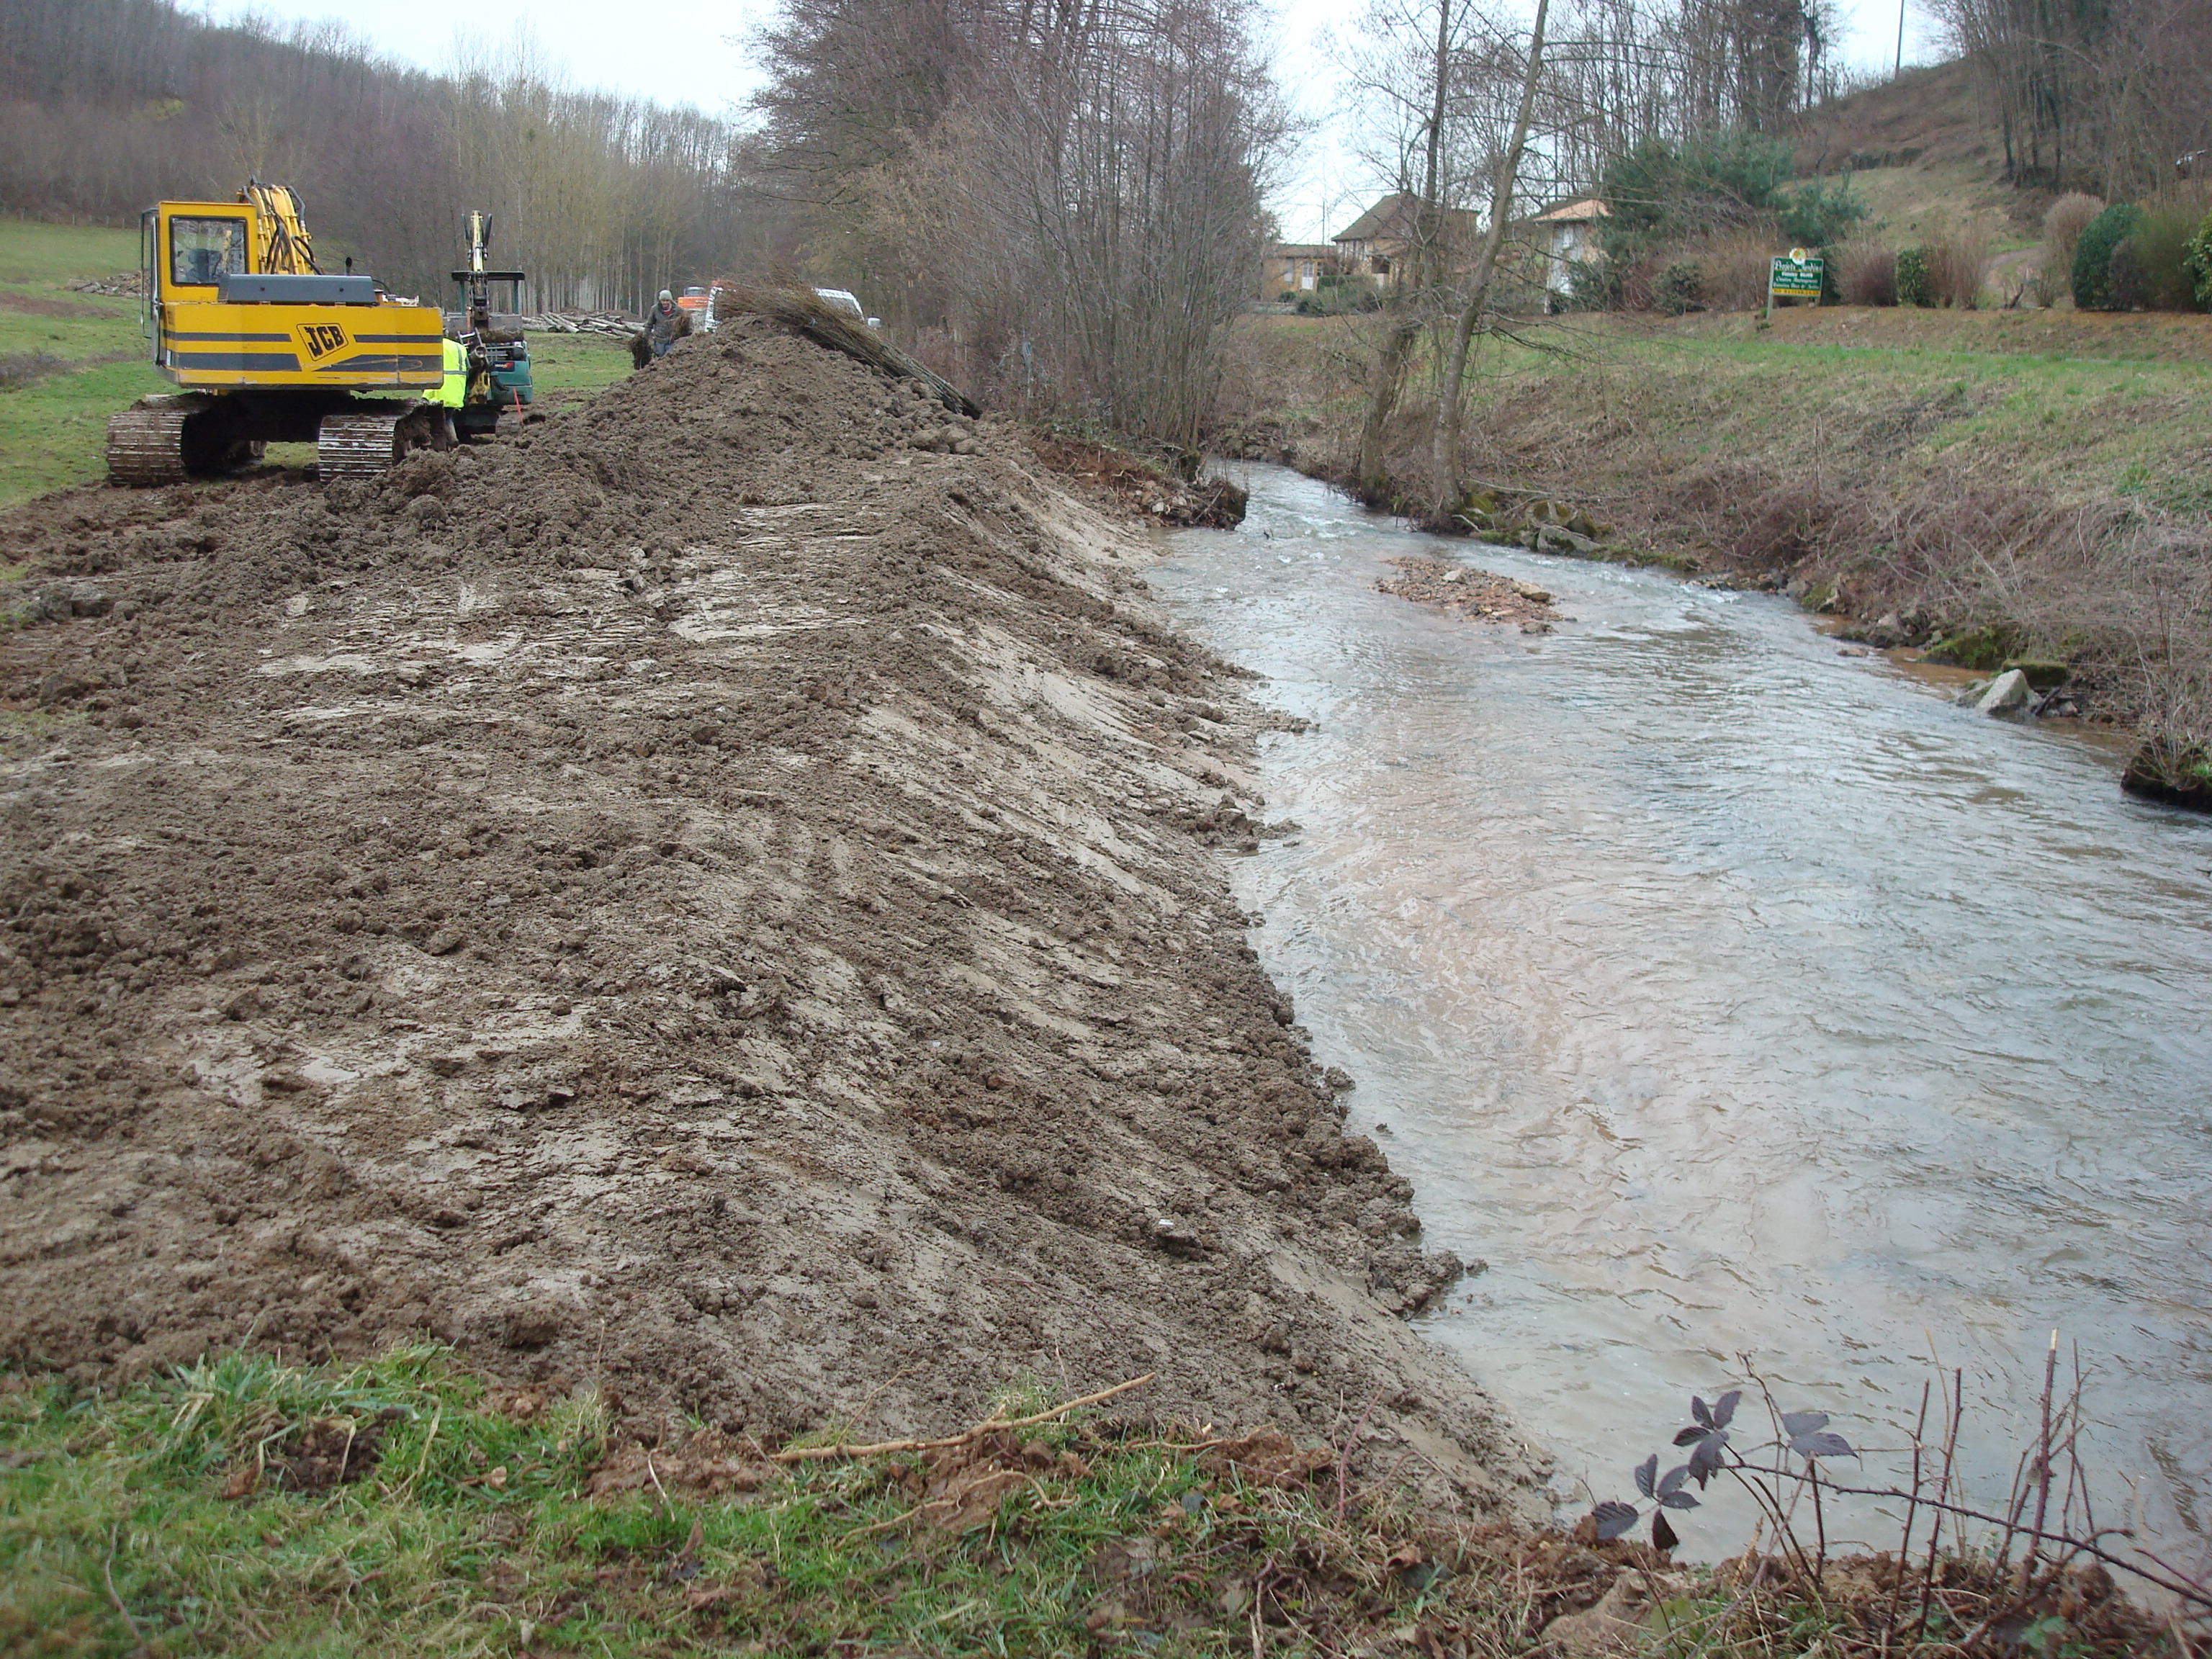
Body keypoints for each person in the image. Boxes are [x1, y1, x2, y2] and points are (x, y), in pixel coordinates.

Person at [642, 289, 691, 361]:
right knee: (660, 359)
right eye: (663, 301)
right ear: (660, 301)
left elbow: (686, 324)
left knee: (670, 359)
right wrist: (644, 338)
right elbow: (649, 325)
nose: (665, 303)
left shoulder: (678, 310)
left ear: (670, 300)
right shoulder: (655, 310)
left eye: (667, 301)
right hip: (659, 340)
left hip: (672, 341)